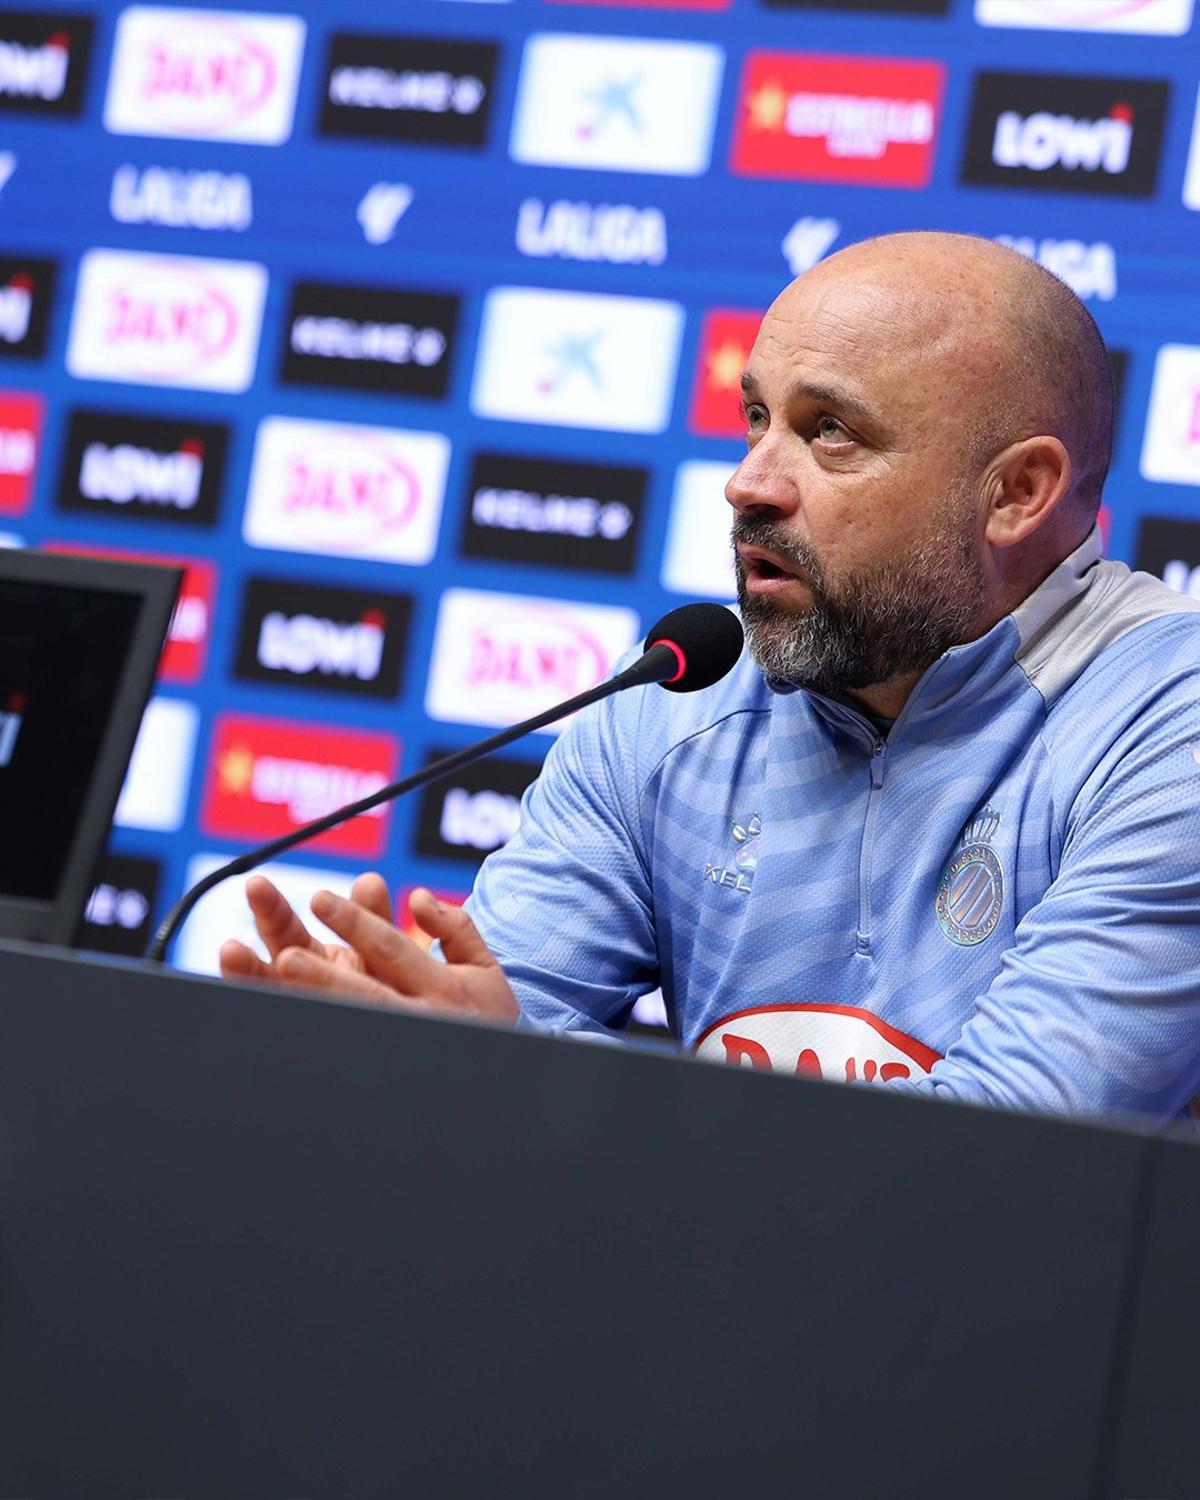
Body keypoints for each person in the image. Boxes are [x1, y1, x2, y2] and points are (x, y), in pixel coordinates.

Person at [220, 231, 1200, 1120]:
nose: (750, 482)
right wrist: (433, 1049)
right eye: (757, 417)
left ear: (1017, 493)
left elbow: (1008, 1159)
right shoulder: (674, 699)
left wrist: (544, 1089)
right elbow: (503, 1022)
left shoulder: (1165, 718)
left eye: (830, 433)